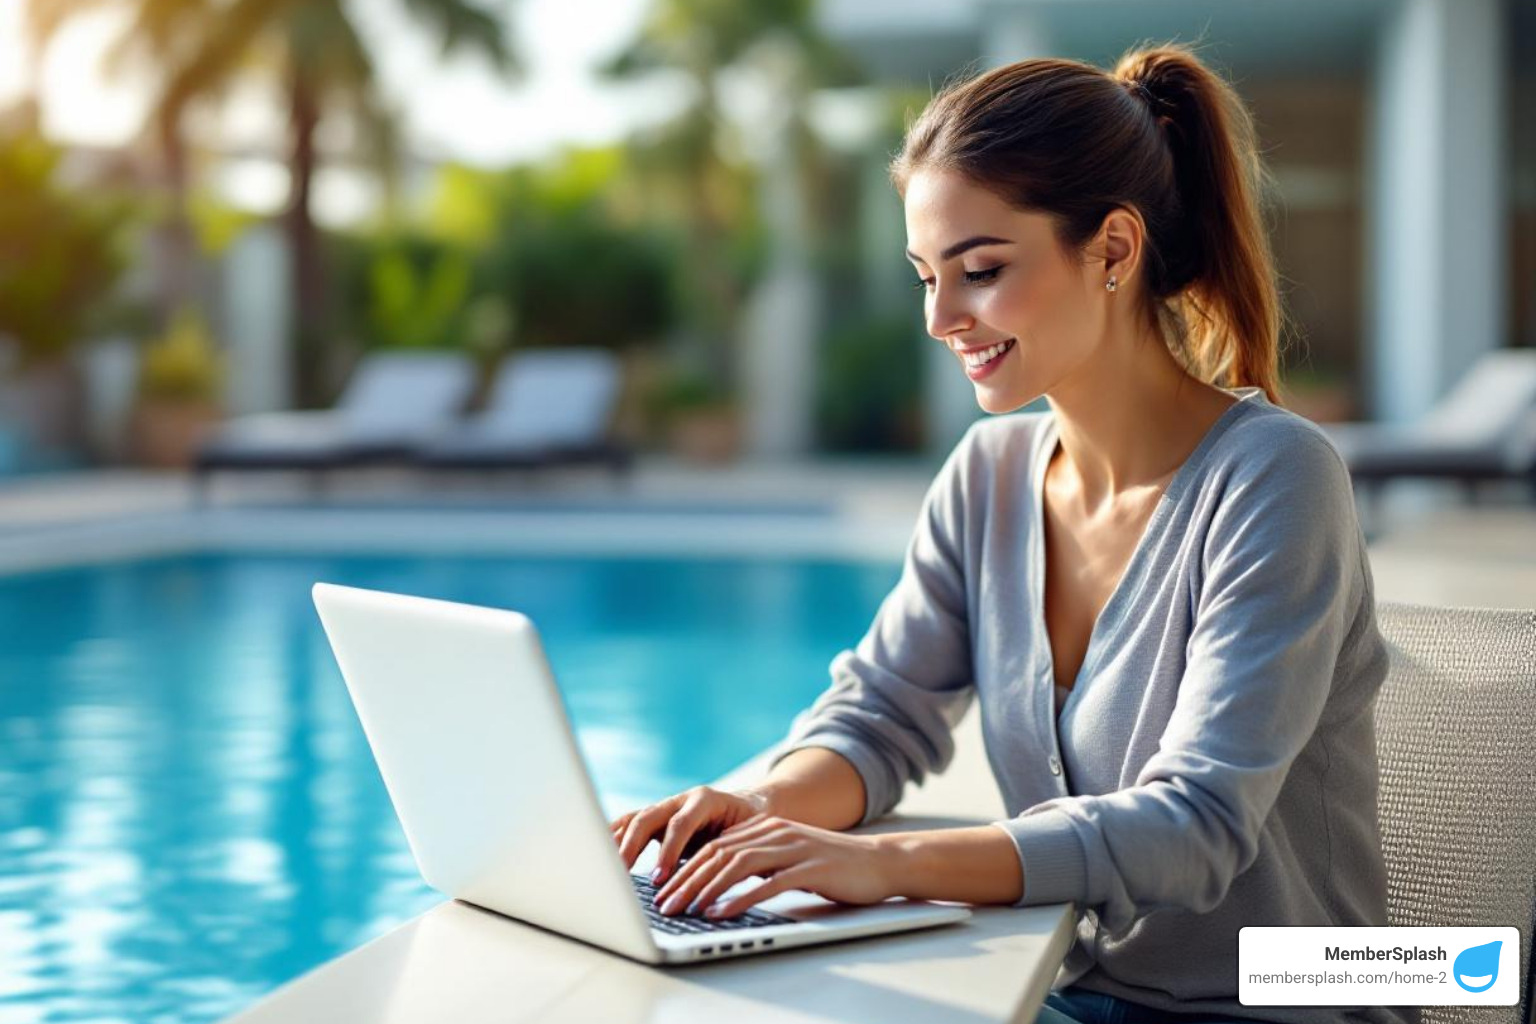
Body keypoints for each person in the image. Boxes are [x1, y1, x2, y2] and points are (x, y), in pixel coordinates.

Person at [610, 42, 1415, 1024]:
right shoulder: (987, 478)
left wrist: (884, 866)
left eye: (981, 270)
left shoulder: (1276, 477)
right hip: (1063, 993)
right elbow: (880, 718)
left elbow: (1198, 826)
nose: (941, 317)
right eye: (925, 276)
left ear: (1113, 250)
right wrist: (764, 811)